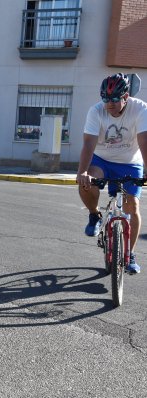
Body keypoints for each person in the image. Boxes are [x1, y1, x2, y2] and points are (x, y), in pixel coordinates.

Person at [77, 73, 147, 274]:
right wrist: (82, 172)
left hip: (129, 162)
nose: (110, 104)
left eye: (115, 99)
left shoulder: (140, 109)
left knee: (132, 206)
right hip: (102, 160)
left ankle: (130, 254)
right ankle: (94, 215)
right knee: (85, 182)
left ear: (126, 96)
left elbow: (144, 143)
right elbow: (88, 143)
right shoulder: (96, 111)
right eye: (106, 99)